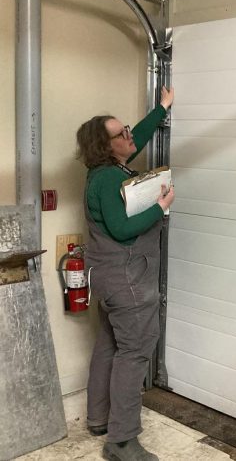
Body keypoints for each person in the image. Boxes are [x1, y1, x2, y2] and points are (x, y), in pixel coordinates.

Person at [76, 87, 176, 461]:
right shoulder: (105, 180)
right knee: (134, 353)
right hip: (128, 281)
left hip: (108, 279)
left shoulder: (105, 169)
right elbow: (121, 229)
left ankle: (98, 418)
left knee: (109, 345)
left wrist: (161, 109)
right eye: (120, 134)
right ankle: (120, 441)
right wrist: (161, 207)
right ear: (105, 146)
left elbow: (140, 139)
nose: (128, 136)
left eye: (126, 129)